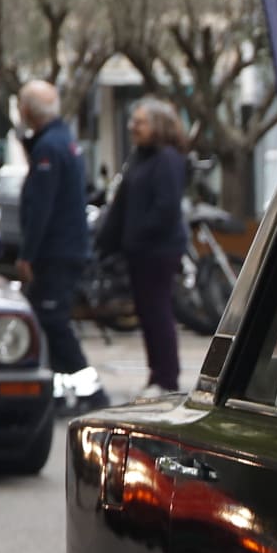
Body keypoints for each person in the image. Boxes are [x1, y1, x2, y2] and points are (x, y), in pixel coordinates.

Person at [14, 80, 104, 407]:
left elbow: (41, 208)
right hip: (66, 248)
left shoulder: (49, 147)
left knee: (52, 322)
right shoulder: (62, 140)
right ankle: (56, 394)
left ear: (26, 111)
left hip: (55, 252)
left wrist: (27, 255)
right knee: (48, 323)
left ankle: (92, 393)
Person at [93, 97, 191, 394]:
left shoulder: (168, 160)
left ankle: (166, 378)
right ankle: (157, 374)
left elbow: (166, 208)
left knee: (158, 312)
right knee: (148, 314)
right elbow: (122, 205)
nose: (132, 127)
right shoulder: (139, 157)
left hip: (158, 251)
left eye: (140, 122)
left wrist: (137, 235)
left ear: (158, 125)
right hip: (138, 250)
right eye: (132, 121)